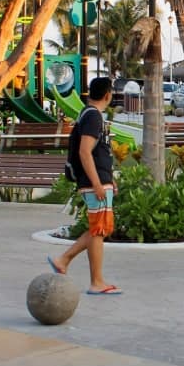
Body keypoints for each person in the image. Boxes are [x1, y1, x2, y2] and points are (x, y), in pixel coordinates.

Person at [47, 77, 120, 294]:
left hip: (100, 179)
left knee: (101, 228)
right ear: (108, 95)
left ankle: (65, 260)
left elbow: (97, 152)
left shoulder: (89, 115)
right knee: (98, 230)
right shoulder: (93, 116)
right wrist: (97, 183)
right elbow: (85, 151)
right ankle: (95, 281)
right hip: (94, 182)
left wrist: (108, 178)